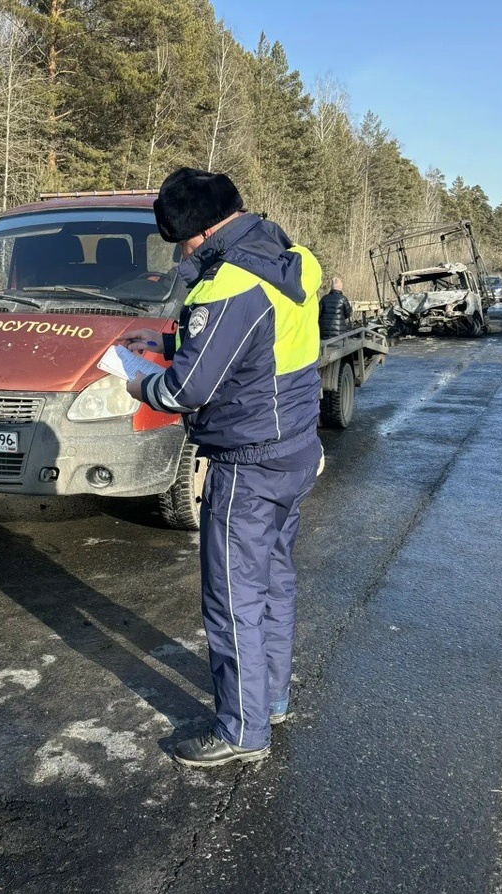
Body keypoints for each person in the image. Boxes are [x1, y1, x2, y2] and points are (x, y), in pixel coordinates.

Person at [123, 167, 323, 767]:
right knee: (275, 582)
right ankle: (270, 700)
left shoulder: (229, 285)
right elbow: (252, 350)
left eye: (181, 243)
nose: (181, 254)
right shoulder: (292, 261)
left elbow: (184, 390)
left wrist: (137, 379)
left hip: (248, 463)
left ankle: (242, 730)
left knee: (233, 597)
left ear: (200, 232)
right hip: (294, 450)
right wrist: (167, 344)